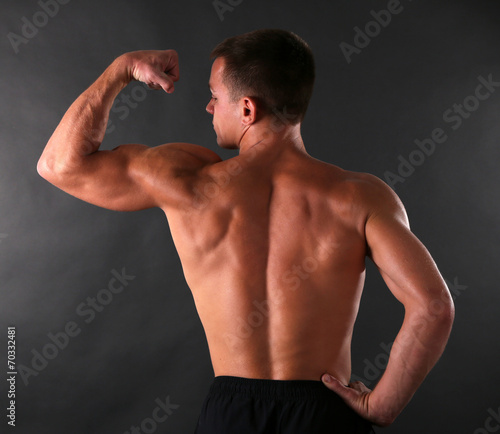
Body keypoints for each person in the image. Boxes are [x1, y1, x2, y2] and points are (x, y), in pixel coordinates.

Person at [37, 29, 455, 433]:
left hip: (232, 415)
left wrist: (121, 69)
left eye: (215, 97)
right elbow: (434, 307)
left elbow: (59, 165)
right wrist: (380, 406)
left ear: (248, 110)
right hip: (325, 414)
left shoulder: (189, 182)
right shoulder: (360, 196)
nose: (208, 107)